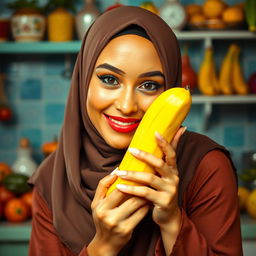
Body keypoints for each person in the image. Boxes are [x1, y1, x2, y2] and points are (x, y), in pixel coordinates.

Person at [28, 6, 243, 256]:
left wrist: (173, 222)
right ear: (83, 79)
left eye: (149, 85)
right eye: (109, 79)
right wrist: (103, 247)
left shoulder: (207, 166)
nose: (127, 105)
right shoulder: (52, 179)